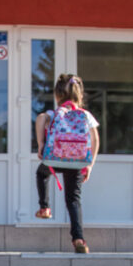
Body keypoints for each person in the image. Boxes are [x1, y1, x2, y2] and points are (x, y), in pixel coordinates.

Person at [35, 74, 100, 254]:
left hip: (55, 158)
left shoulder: (54, 113)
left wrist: (41, 144)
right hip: (78, 161)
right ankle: (79, 239)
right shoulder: (85, 115)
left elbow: (41, 118)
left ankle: (44, 207)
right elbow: (95, 138)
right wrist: (90, 165)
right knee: (73, 200)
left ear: (57, 96)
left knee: (41, 173)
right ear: (79, 95)